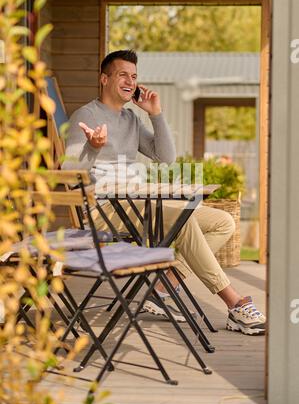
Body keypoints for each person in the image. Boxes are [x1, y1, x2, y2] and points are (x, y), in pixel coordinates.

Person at [62, 49, 266, 336]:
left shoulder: (131, 119)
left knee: (223, 222)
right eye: (123, 74)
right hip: (104, 210)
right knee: (184, 220)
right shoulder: (86, 114)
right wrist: (93, 148)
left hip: (138, 203)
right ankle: (235, 304)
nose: (130, 81)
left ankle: (161, 287)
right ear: (104, 79)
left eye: (134, 76)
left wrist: (156, 114)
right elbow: (68, 172)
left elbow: (166, 158)